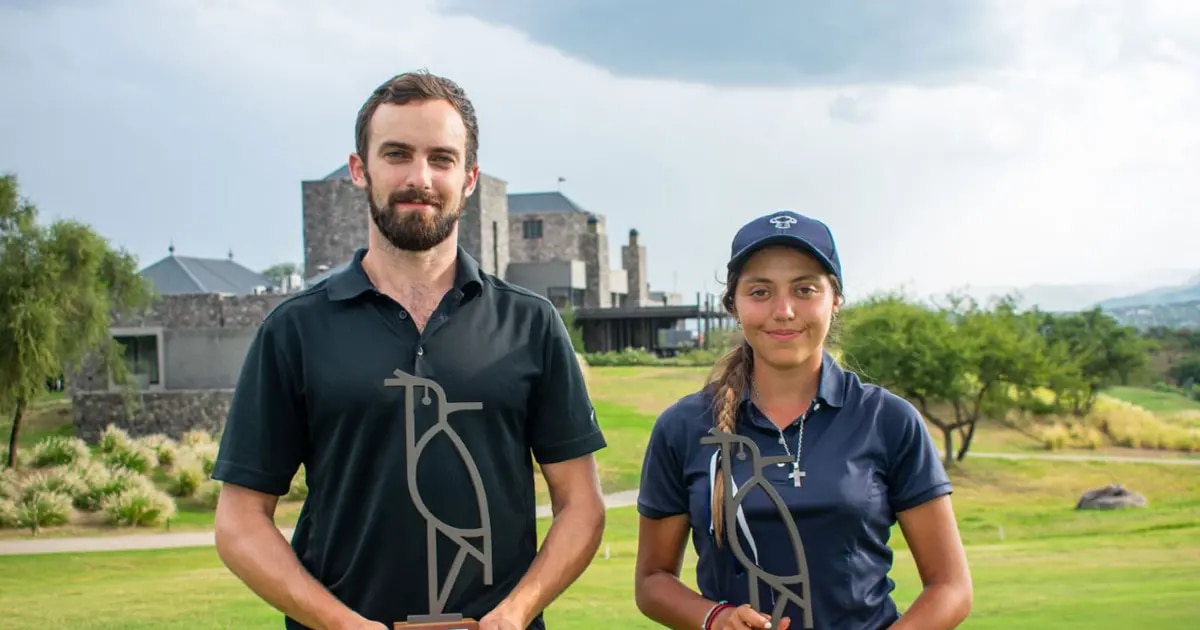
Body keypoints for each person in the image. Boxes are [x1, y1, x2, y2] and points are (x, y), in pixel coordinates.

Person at [211, 70, 608, 630]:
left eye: (441, 159)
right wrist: (342, 624)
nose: (419, 177)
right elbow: (239, 521)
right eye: (397, 154)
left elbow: (582, 507)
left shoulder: (529, 323)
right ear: (359, 169)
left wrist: (514, 614)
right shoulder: (294, 329)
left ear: (469, 179)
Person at [633, 210, 972, 630]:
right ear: (733, 306)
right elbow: (652, 580)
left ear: (835, 300)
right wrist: (714, 618)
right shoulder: (683, 427)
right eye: (760, 292)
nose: (784, 310)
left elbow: (950, 587)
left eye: (805, 289)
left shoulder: (889, 420)